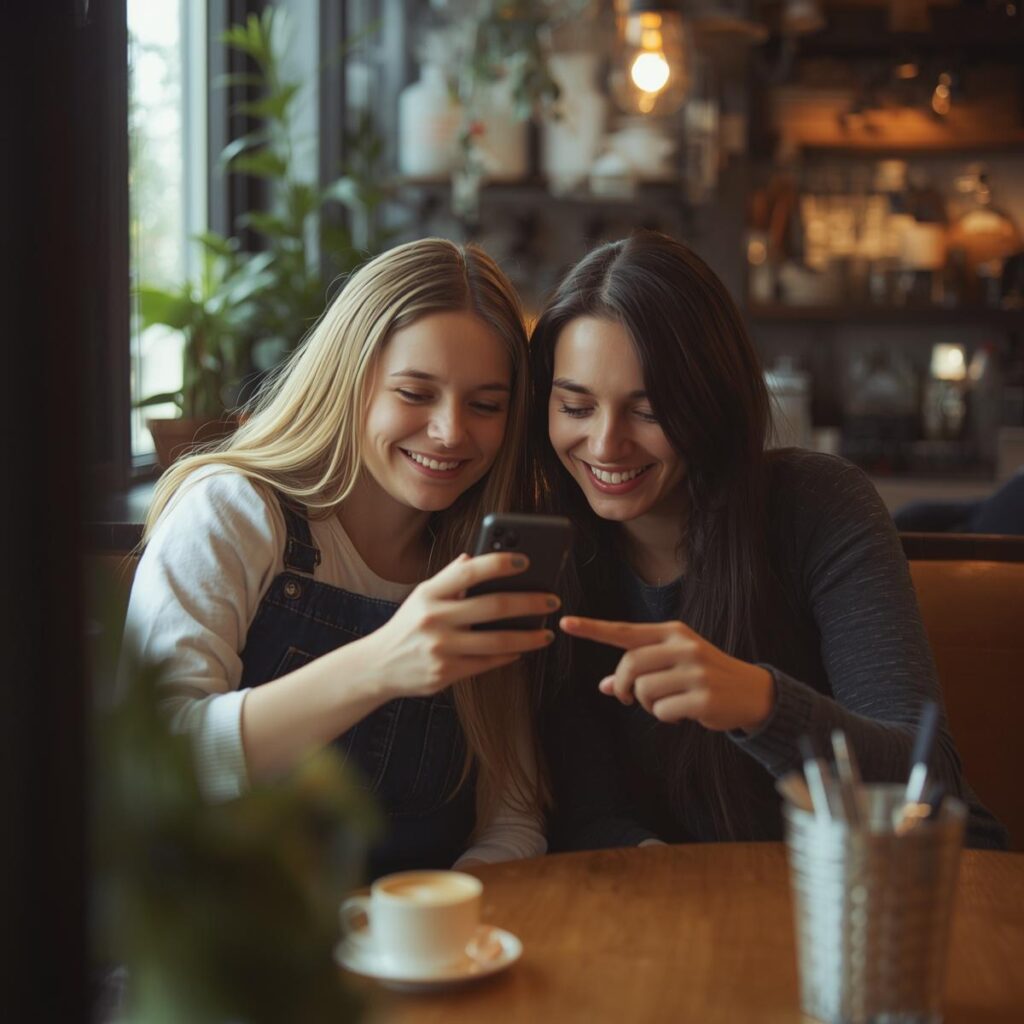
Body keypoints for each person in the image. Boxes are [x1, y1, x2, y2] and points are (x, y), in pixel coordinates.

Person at [529, 230, 1006, 850]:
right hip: (686, 910)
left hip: (897, 886)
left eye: (648, 412)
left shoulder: (818, 505)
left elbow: (926, 775)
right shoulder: (554, 554)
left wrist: (760, 703)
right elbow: (590, 815)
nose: (604, 444)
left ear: (711, 402)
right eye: (576, 407)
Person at [123, 238, 556, 877]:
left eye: (486, 405)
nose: (451, 431)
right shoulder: (234, 511)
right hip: (236, 950)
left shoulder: (480, 558)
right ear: (348, 379)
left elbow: (512, 821)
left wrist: (433, 923)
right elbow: (154, 763)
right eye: (415, 393)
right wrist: (381, 664)